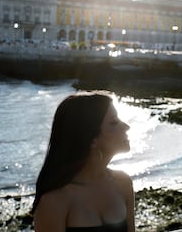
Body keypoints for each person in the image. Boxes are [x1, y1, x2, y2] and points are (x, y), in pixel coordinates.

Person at [32, 91, 135, 231]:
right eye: (114, 122)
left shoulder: (122, 183)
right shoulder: (55, 201)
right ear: (92, 139)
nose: (126, 127)